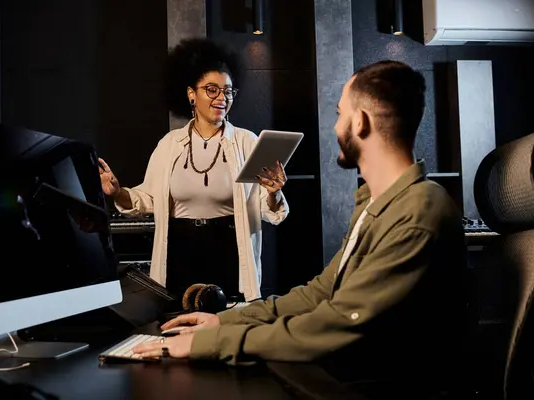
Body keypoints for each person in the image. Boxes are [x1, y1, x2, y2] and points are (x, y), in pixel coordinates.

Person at [133, 60, 467, 391]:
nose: (336, 127)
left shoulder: (417, 213)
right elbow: (320, 293)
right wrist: (222, 321)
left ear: (361, 122)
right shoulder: (379, 205)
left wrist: (212, 342)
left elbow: (337, 322)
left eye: (340, 114)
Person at [98, 38, 289, 301]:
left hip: (229, 251)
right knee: (180, 326)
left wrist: (273, 193)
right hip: (180, 252)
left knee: (227, 328)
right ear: (191, 94)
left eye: (228, 91)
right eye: (211, 89)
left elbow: (267, 209)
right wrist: (117, 192)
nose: (221, 98)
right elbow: (148, 200)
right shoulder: (169, 144)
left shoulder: (247, 142)